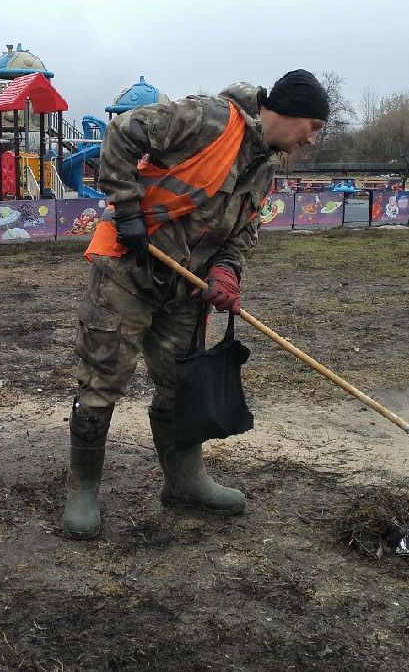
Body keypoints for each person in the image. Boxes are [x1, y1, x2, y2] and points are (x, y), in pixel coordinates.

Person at [62, 69, 328, 539]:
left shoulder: (265, 167)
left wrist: (226, 271)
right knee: (103, 376)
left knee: (180, 382)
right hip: (128, 267)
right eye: (315, 128)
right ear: (292, 114)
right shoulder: (206, 119)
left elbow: (243, 231)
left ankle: (184, 482)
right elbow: (121, 135)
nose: (312, 140)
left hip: (185, 287)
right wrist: (127, 211)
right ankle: (82, 490)